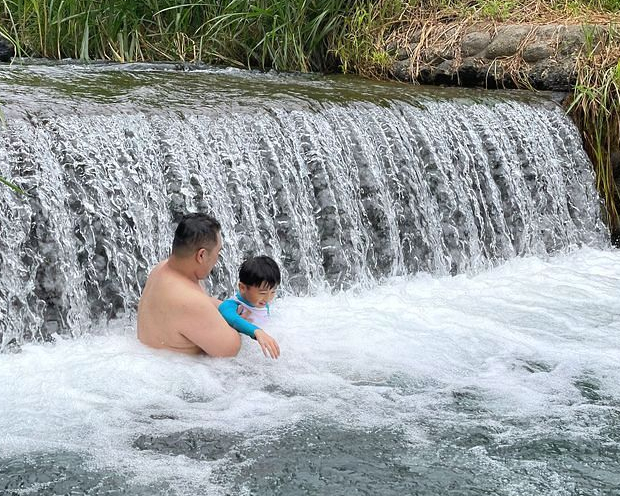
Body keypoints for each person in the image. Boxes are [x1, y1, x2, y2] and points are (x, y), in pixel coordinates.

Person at [137, 213, 241, 356]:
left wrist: (229, 307)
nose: (217, 258)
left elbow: (198, 305)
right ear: (201, 255)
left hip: (156, 363)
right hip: (177, 374)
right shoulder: (188, 300)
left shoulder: (161, 270)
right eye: (218, 252)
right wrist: (244, 322)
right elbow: (230, 350)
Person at [218, 256, 281, 359]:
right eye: (263, 293)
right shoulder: (233, 304)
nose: (268, 298)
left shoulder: (260, 302)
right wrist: (256, 331)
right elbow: (231, 318)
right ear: (242, 288)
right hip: (241, 356)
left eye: (273, 292)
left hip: (263, 349)